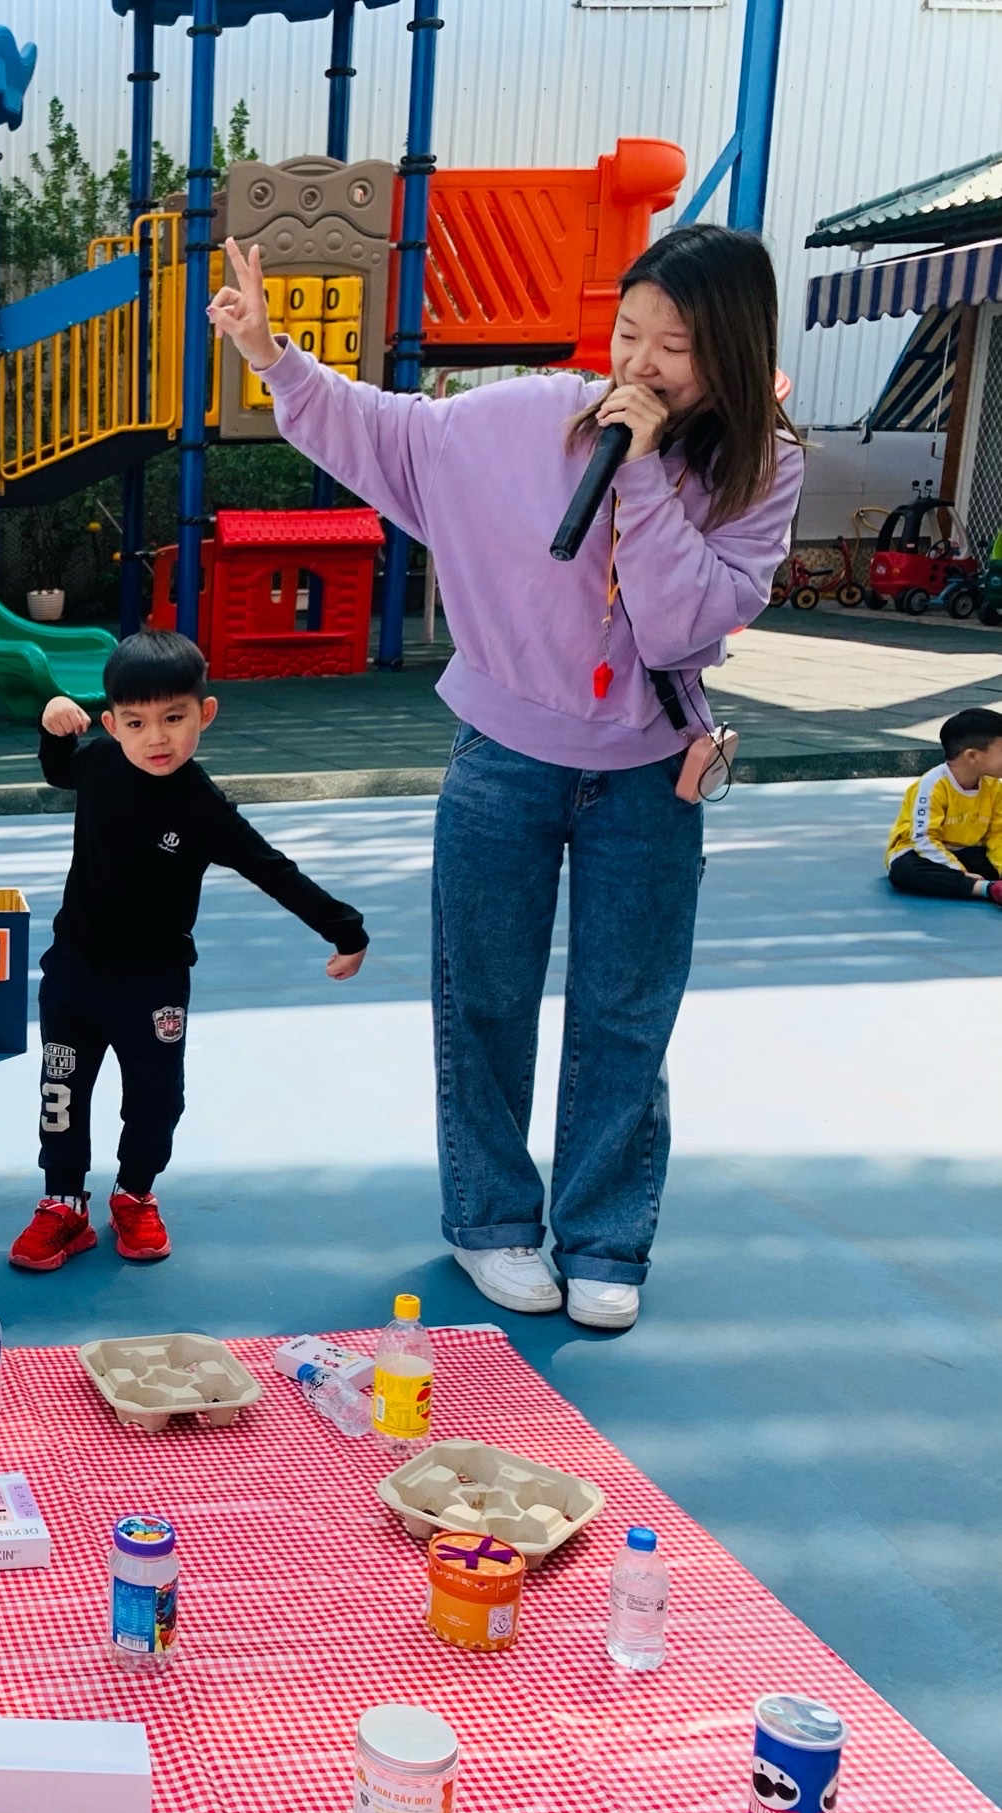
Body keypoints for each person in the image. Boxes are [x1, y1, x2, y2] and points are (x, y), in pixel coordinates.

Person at [214, 221, 803, 1332]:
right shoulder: (533, 416)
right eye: (628, 332)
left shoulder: (760, 469)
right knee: (480, 999)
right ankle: (488, 1222)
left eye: (674, 346)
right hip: (501, 757)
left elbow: (682, 624)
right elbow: (387, 432)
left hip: (647, 773)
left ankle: (605, 1238)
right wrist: (270, 355)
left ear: (731, 348)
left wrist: (640, 478)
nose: (639, 364)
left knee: (626, 1012)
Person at [11, 632, 368, 1272]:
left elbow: (271, 869)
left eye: (174, 718)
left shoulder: (202, 806)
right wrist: (52, 725)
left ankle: (134, 1193)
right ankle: (63, 1202)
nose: (157, 738)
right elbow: (59, 769)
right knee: (60, 1090)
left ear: (204, 714)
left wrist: (345, 929)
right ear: (112, 724)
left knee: (156, 1098)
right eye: (137, 723)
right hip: (74, 972)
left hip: (154, 982)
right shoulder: (99, 763)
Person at [885, 707, 1002, 906]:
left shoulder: (994, 787)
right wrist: (959, 872)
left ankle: (979, 884)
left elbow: (997, 835)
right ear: (972, 756)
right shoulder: (932, 786)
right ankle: (986, 889)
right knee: (904, 870)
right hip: (921, 852)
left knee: (989, 860)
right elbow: (924, 839)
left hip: (968, 851)